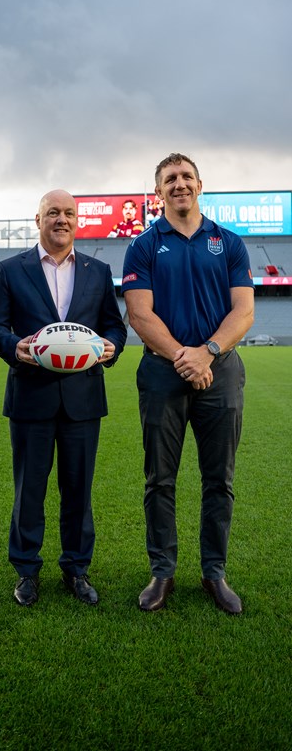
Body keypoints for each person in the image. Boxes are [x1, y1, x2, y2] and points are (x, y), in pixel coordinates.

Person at [122, 153, 254, 615]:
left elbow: (244, 311)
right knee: (160, 478)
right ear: (158, 192)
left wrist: (208, 353)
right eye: (169, 179)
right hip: (163, 372)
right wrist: (184, 356)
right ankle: (162, 571)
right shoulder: (142, 246)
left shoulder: (229, 242)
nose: (178, 184)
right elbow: (139, 313)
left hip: (221, 371)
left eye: (185, 177)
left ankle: (214, 572)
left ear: (200, 185)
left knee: (220, 478)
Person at [0, 189, 126, 607]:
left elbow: (114, 327)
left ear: (77, 220)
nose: (60, 219)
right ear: (38, 218)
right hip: (31, 396)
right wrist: (15, 347)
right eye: (52, 213)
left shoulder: (98, 271)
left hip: (83, 399)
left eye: (68, 213)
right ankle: (26, 571)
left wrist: (111, 347)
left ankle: (77, 569)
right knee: (29, 489)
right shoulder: (11, 269)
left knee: (78, 489)